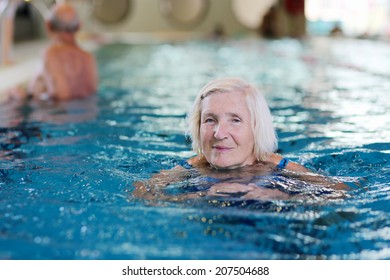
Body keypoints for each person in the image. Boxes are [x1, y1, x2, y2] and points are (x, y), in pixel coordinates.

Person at [133, 77, 349, 202]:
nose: (219, 133)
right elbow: (141, 193)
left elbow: (340, 192)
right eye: (210, 120)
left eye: (235, 120)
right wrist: (198, 197)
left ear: (256, 127)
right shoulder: (191, 167)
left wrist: (272, 195)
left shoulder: (280, 168)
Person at [26, 2, 98, 101]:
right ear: (79, 26)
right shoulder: (88, 58)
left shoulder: (51, 54)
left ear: (48, 25)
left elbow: (62, 97)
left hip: (62, 113)